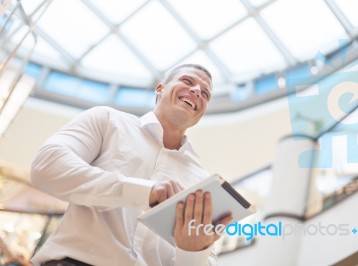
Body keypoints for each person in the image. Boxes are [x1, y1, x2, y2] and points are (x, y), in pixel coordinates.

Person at [30, 64, 233, 266]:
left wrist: (192, 253)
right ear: (160, 89)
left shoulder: (202, 180)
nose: (197, 91)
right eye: (188, 81)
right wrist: (145, 192)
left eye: (205, 93)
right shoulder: (107, 120)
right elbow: (48, 164)